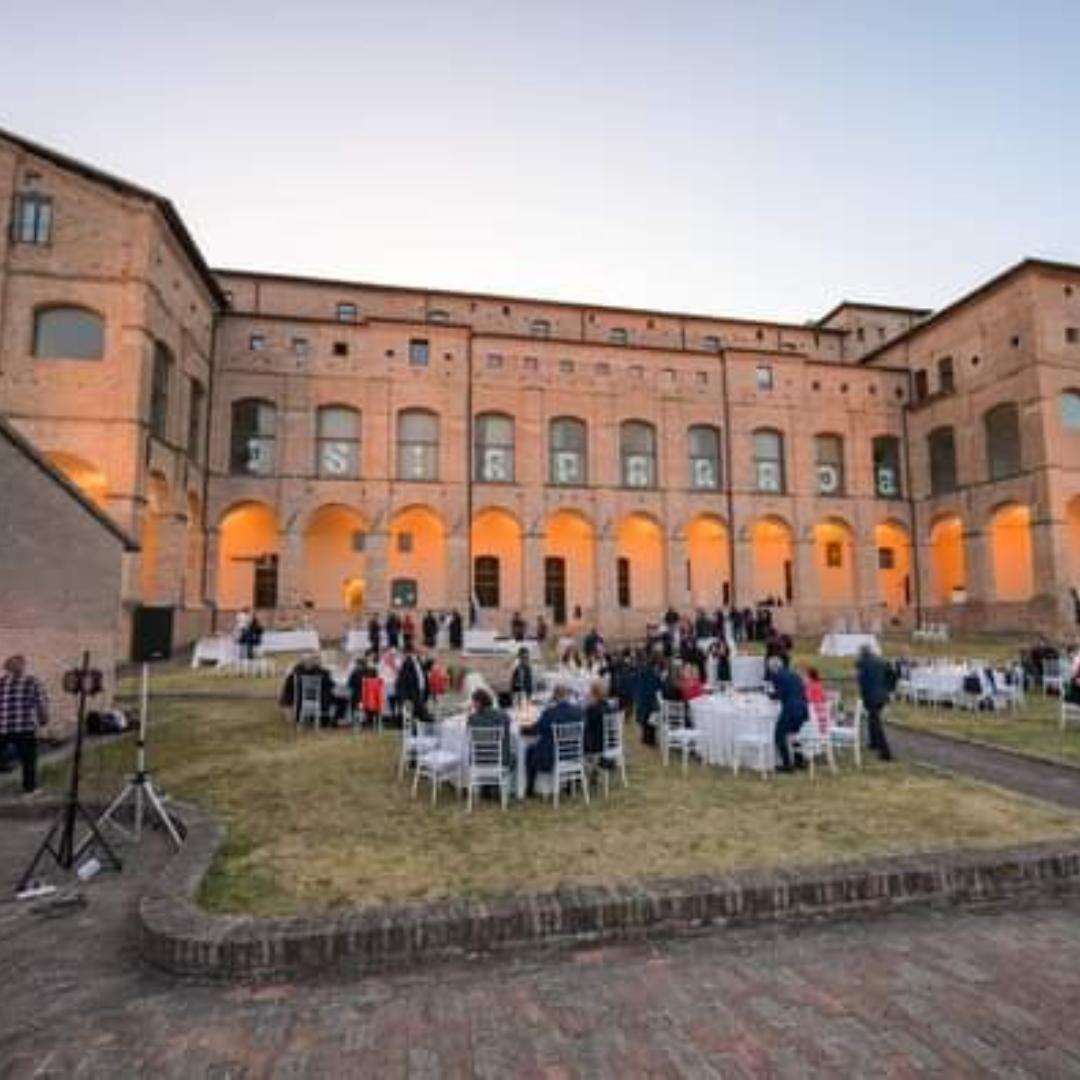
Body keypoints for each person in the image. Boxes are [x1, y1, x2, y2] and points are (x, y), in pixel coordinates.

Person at [0, 655, 50, 796]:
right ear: (22, 666)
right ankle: (30, 790)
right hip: (24, 728)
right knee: (29, 759)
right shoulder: (31, 682)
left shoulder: (1, 683)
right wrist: (43, 719)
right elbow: (41, 703)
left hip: (2, 728)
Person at [523, 683, 582, 797]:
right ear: (568, 696)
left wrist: (524, 729)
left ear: (555, 697)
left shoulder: (549, 713)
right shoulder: (578, 712)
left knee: (529, 751)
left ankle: (530, 787)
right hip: (575, 754)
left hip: (552, 757)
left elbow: (536, 730)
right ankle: (570, 783)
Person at [766, 656, 808, 773]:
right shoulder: (794, 674)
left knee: (779, 735)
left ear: (773, 668)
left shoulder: (776, 676)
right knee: (794, 734)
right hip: (803, 708)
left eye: (769, 669)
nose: (769, 672)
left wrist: (769, 695)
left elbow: (780, 694)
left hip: (790, 709)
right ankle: (799, 761)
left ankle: (787, 765)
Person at [856, 645, 894, 761]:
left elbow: (862, 683)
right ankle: (874, 743)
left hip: (872, 697)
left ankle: (886, 752)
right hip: (882, 696)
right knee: (872, 719)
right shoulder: (882, 661)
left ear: (862, 653)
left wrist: (863, 698)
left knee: (876, 723)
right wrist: (888, 688)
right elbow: (892, 675)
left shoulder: (861, 663)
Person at [280, 654, 336, 726]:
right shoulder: (322, 672)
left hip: (301, 699)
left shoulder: (297, 671)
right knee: (333, 695)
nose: (309, 663)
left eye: (310, 661)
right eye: (308, 661)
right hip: (318, 698)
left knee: (287, 693)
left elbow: (288, 685)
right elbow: (331, 684)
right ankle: (331, 717)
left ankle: (293, 716)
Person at [467, 687, 513, 769]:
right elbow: (508, 723)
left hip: (478, 760)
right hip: (499, 760)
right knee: (515, 756)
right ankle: (512, 781)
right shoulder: (503, 716)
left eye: (473, 702)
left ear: (478, 703)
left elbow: (469, 735)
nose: (473, 705)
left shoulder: (472, 719)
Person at [396, 640, 431, 723]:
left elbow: (422, 671)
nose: (423, 648)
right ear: (414, 649)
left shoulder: (418, 660)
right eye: (420, 646)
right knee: (423, 716)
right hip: (413, 694)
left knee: (421, 716)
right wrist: (404, 698)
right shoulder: (407, 662)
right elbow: (401, 682)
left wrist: (430, 661)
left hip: (421, 691)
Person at [583, 679, 612, 758]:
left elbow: (586, 726)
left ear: (593, 693)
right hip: (609, 741)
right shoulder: (608, 706)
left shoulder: (592, 709)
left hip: (597, 743)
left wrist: (588, 705)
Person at [804, 666, 828, 731]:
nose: (804, 677)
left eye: (805, 676)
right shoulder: (819, 684)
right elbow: (824, 697)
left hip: (814, 711)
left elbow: (808, 698)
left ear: (809, 676)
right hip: (822, 713)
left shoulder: (809, 685)